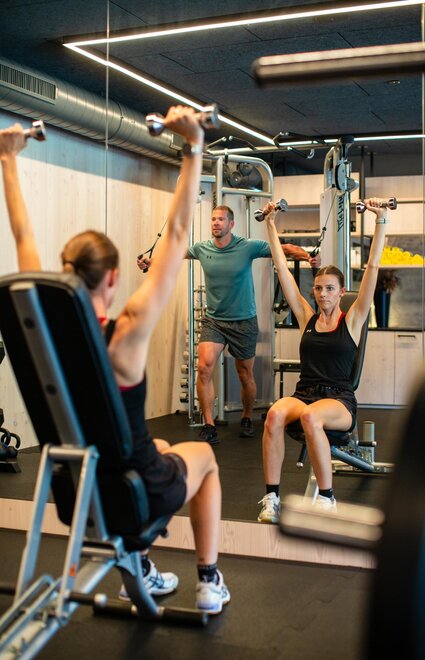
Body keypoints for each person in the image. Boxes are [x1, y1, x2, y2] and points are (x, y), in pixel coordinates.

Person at [0, 107, 230, 615]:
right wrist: (192, 146)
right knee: (206, 459)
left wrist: (7, 160)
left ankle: (140, 572)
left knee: (163, 444)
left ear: (65, 274)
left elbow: (22, 240)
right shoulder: (126, 332)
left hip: (79, 492)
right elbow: (176, 236)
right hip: (132, 492)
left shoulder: (43, 331)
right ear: (112, 278)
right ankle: (209, 581)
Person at [139, 206, 320, 445]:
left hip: (244, 321)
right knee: (204, 368)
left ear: (231, 224)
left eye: (221, 219)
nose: (216, 223)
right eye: (213, 219)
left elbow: (283, 249)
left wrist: (307, 256)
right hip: (214, 320)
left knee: (245, 374)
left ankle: (246, 416)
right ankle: (209, 425)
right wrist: (151, 262)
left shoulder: (248, 246)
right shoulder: (201, 248)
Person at [257, 198, 388, 523]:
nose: (323, 294)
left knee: (311, 417)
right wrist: (270, 225)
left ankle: (327, 500)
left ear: (341, 292)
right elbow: (282, 270)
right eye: (318, 288)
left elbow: (372, 269)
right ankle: (272, 498)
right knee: (274, 414)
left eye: (330, 289)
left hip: (339, 400)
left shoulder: (352, 319)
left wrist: (381, 220)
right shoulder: (307, 317)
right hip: (305, 393)